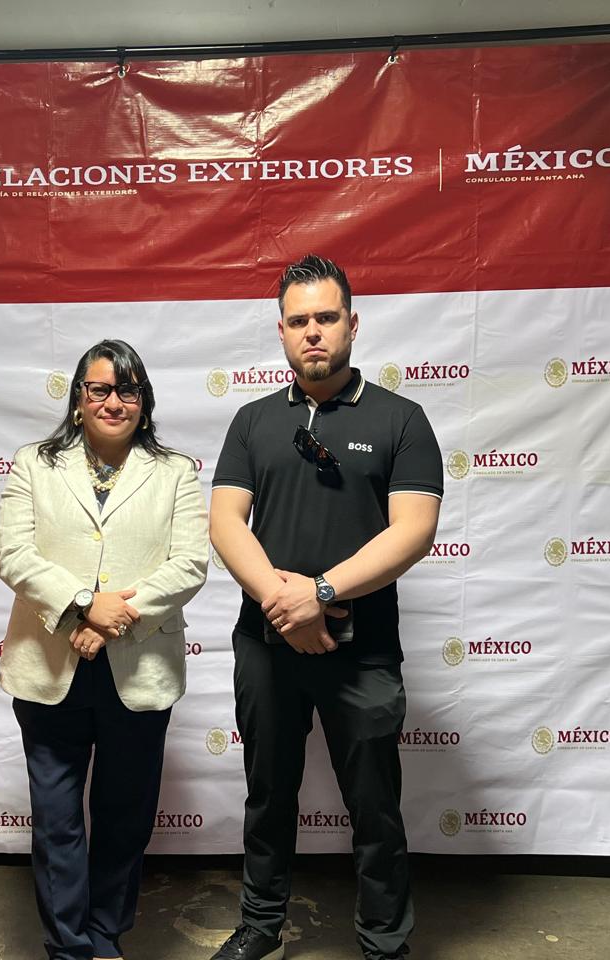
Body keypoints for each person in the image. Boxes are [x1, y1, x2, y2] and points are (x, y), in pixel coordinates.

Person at [209, 255, 443, 960]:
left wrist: (320, 593)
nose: (313, 331)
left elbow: (413, 531)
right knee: (267, 795)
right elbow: (225, 522)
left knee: (374, 806)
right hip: (266, 643)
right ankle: (261, 926)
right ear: (281, 331)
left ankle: (384, 942)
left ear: (352, 324)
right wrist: (283, 605)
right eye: (299, 321)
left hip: (362, 649)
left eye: (326, 317)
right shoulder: (252, 421)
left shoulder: (401, 419)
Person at [0, 338, 209, 960]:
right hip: (49, 667)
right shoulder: (34, 464)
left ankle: (105, 935)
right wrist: (85, 605)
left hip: (139, 669)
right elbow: (14, 555)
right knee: (56, 819)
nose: (114, 402)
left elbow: (189, 564)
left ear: (144, 401)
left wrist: (113, 621)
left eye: (128, 390)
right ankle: (68, 948)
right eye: (100, 389)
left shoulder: (175, 472)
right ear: (78, 398)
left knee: (124, 816)